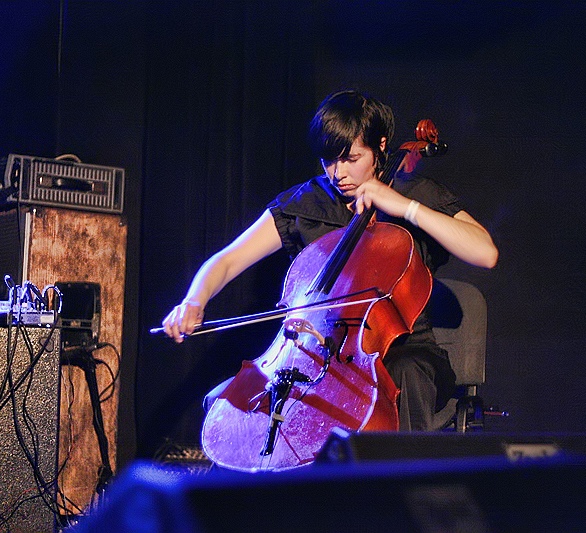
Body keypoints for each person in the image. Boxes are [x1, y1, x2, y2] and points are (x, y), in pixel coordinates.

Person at [162, 89, 498, 431]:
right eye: (329, 159)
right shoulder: (308, 202)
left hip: (402, 353)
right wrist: (194, 299)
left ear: (381, 146)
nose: (338, 173)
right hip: (315, 354)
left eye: (351, 158)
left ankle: (402, 481)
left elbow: (485, 252)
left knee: (405, 372)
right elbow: (229, 259)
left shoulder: (415, 193)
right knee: (232, 405)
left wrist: (405, 208)